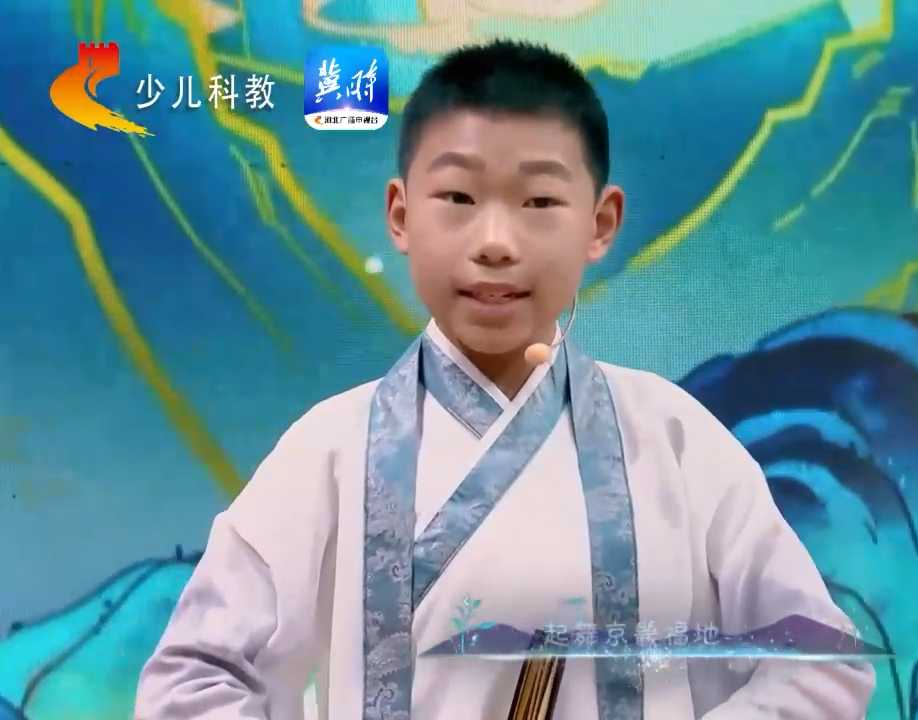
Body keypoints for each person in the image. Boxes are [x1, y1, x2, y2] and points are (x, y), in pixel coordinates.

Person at [134, 39, 876, 719]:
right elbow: (191, 681)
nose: (495, 242)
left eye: (539, 202)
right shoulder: (329, 452)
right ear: (400, 215)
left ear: (601, 223)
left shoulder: (675, 441)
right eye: (458, 198)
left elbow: (820, 663)